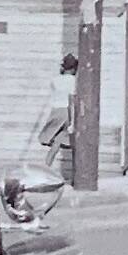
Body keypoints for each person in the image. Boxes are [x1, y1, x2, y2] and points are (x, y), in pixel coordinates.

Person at [34, 52, 80, 183]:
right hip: (66, 112)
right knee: (75, 143)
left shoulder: (55, 80)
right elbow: (71, 101)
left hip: (55, 112)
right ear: (73, 68)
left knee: (56, 143)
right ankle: (76, 174)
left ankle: (45, 170)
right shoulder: (73, 81)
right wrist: (72, 121)